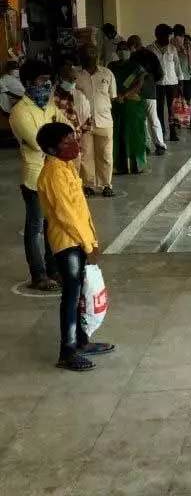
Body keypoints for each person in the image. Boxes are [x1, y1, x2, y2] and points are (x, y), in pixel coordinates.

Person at [35, 121, 115, 372]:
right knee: (71, 296)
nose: (74, 145)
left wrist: (92, 241)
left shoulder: (66, 167)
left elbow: (81, 210)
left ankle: (81, 341)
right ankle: (67, 352)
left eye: (73, 139)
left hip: (80, 239)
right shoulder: (53, 174)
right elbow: (65, 214)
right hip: (67, 243)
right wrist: (86, 244)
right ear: (51, 148)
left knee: (80, 293)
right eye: (67, 142)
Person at [9, 60, 68, 291]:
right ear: (27, 83)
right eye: (42, 81)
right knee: (35, 227)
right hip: (34, 177)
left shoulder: (49, 105)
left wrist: (60, 139)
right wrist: (58, 140)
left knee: (51, 224)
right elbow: (38, 142)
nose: (47, 85)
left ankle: (53, 269)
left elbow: (67, 127)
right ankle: (38, 274)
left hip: (54, 173)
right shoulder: (19, 112)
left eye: (48, 81)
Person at [76, 43, 117, 197]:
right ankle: (88, 185)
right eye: (87, 52)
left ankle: (106, 184)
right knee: (86, 155)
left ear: (98, 54)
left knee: (105, 154)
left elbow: (112, 97)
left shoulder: (107, 74)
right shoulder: (77, 76)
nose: (91, 55)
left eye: (94, 51)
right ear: (81, 55)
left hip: (104, 121)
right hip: (84, 122)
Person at [108, 41, 148, 174]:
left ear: (130, 51)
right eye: (120, 49)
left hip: (132, 104)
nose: (122, 51)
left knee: (134, 134)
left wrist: (124, 95)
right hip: (116, 105)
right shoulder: (112, 66)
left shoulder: (136, 67)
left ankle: (137, 165)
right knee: (118, 134)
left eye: (125, 48)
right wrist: (116, 96)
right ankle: (120, 166)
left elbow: (139, 84)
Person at [127, 35, 166, 156]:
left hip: (137, 93)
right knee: (153, 119)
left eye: (129, 47)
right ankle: (160, 144)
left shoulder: (133, 58)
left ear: (133, 46)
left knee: (142, 120)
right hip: (150, 91)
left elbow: (131, 76)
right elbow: (160, 73)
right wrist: (151, 81)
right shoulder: (151, 55)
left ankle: (146, 145)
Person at [52, 61, 93, 175]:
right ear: (60, 78)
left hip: (75, 143)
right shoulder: (52, 96)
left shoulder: (79, 95)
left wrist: (78, 134)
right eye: (68, 79)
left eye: (73, 79)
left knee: (74, 174)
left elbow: (87, 120)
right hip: (57, 144)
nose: (72, 82)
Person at [149, 24, 183, 142]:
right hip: (157, 84)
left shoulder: (172, 48)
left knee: (172, 109)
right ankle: (162, 132)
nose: (168, 39)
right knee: (159, 109)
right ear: (158, 36)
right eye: (166, 37)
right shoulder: (150, 49)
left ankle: (173, 132)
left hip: (172, 83)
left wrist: (180, 81)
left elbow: (177, 66)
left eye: (169, 37)